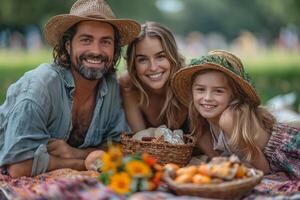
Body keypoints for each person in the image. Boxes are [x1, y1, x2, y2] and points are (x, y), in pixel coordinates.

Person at [0, 0, 141, 178]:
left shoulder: (110, 85)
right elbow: (19, 167)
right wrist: (86, 162)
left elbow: (118, 147)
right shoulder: (41, 86)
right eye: (86, 40)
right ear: (68, 45)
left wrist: (73, 153)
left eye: (105, 42)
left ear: (114, 50)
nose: (96, 51)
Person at [171, 50, 300, 179]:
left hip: (291, 154)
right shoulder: (200, 127)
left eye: (218, 91)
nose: (207, 97)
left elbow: (264, 169)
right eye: (200, 89)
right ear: (192, 91)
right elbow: (220, 165)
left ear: (234, 95)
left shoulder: (230, 118)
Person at [119, 21, 188, 133]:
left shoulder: (189, 83)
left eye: (160, 56)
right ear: (133, 64)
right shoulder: (128, 84)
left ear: (172, 57)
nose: (153, 67)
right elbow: (141, 139)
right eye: (142, 59)